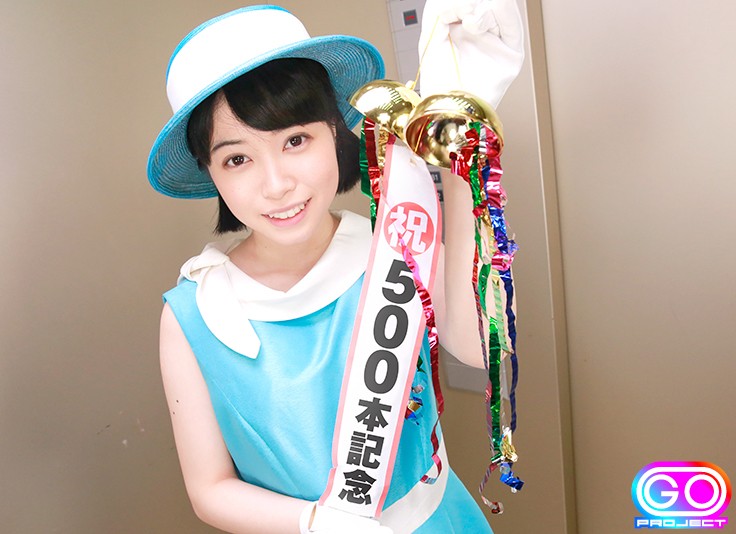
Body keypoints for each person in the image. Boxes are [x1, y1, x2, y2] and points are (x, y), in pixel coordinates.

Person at [148, 3, 523, 533]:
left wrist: (461, 143)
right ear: (211, 172)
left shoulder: (395, 246)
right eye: (237, 159)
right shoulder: (192, 313)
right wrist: (318, 524)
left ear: (334, 132)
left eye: (295, 141)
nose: (276, 184)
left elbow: (479, 348)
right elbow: (209, 489)